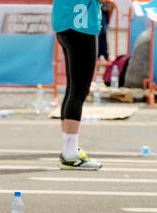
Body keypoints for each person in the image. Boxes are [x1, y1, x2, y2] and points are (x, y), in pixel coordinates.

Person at [52, 0, 103, 170]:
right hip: (81, 23)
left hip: (65, 23)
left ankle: (70, 149)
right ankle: (70, 154)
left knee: (72, 90)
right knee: (79, 91)